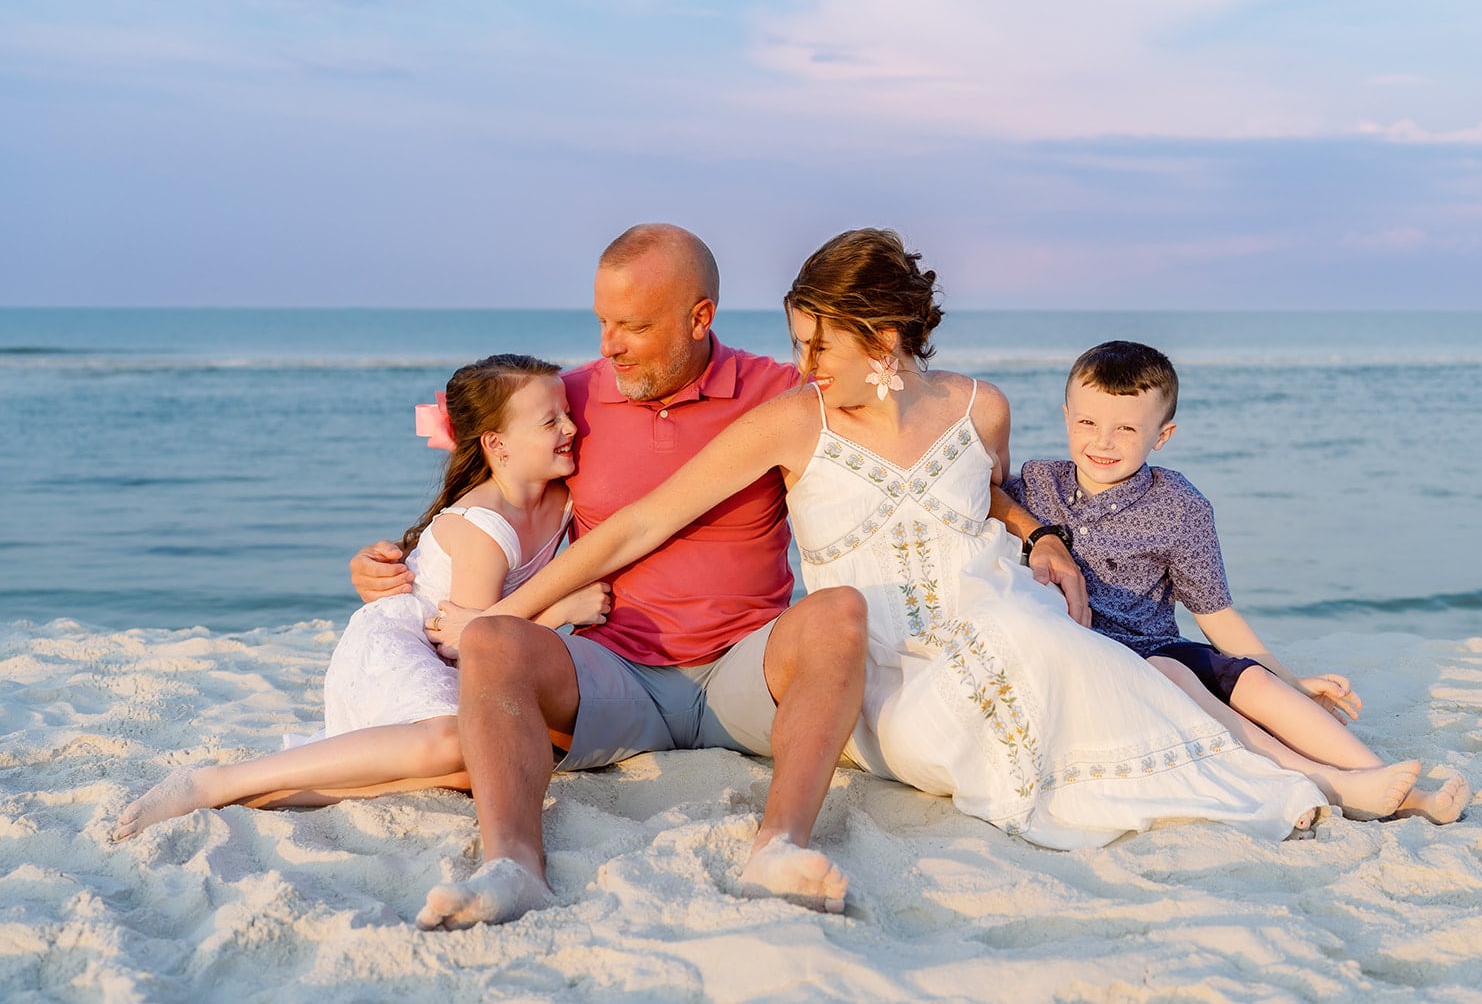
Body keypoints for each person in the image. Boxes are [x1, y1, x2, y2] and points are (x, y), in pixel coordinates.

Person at [465, 227, 1360, 861]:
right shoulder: (787, 415)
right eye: (797, 343)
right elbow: (631, 521)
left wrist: (1039, 530)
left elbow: (988, 495)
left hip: (919, 631)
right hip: (862, 663)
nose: (805, 361)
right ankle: (1295, 767)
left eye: (819, 344)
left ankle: (1308, 768)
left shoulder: (978, 406)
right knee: (1053, 647)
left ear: (882, 341)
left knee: (1043, 632)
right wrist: (496, 604)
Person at [351, 224, 871, 928]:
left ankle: (778, 846)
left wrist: (1033, 525)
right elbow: (482, 480)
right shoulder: (569, 401)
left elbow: (899, 441)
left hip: (746, 670)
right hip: (614, 674)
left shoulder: (777, 393)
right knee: (495, 643)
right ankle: (513, 865)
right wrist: (396, 559)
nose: (608, 345)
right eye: (601, 321)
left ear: (700, 317)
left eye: (631, 325)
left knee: (838, 612)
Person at [112, 354, 610, 840]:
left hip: (452, 654)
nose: (570, 427)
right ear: (497, 444)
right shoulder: (484, 526)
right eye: (551, 421)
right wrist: (562, 611)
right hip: (405, 647)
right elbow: (470, 647)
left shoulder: (561, 499)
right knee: (462, 743)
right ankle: (218, 781)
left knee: (487, 763)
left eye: (567, 413)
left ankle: (278, 794)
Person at [1004, 340, 1469, 824]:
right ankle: (1330, 783)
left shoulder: (1180, 506)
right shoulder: (1037, 485)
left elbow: (1214, 613)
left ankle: (1388, 780)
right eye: (1087, 423)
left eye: (1126, 428)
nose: (1102, 442)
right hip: (1096, 661)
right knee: (1175, 677)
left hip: (1160, 645)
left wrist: (1290, 680)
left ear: (1162, 436)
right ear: (1065, 417)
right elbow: (979, 499)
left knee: (1250, 680)